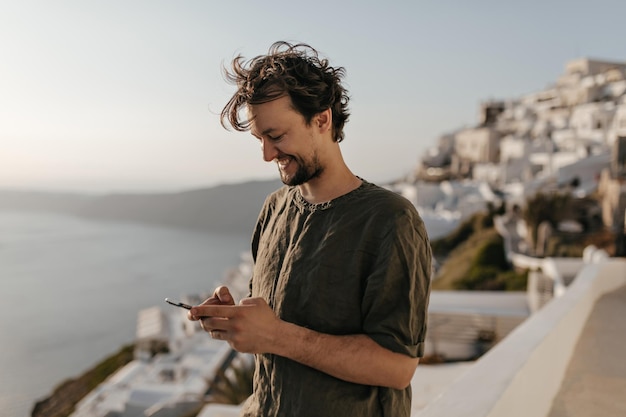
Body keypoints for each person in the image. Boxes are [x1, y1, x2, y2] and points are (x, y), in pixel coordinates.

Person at [188, 41, 432, 417]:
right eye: (260, 140)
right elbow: (277, 325)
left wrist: (275, 336)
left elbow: (398, 367)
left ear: (322, 119)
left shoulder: (391, 221)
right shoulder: (274, 209)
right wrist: (238, 321)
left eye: (277, 136)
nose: (267, 155)